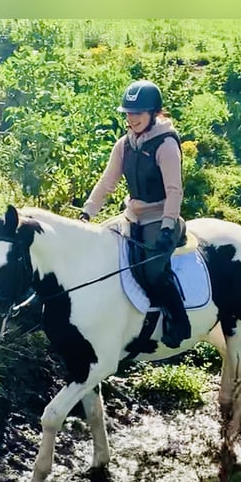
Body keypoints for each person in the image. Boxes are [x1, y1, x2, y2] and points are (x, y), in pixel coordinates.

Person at [79, 79, 190, 348]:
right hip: (132, 216)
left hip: (160, 217)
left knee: (151, 270)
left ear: (154, 113)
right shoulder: (124, 145)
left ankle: (179, 321)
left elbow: (174, 190)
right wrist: (87, 213)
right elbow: (107, 184)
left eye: (137, 113)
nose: (132, 119)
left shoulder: (166, 145)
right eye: (128, 114)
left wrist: (167, 227)